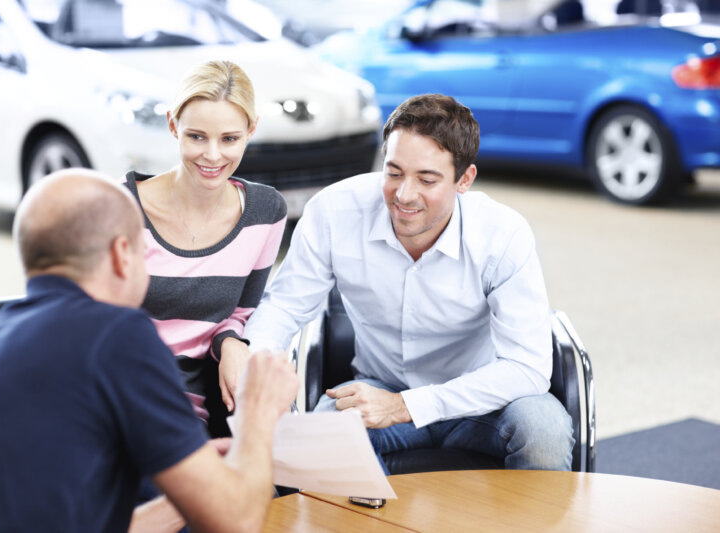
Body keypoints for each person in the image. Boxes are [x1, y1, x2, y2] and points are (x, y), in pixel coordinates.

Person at [0, 170, 298, 532]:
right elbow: (236, 522)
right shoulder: (116, 334)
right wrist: (258, 417)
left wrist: (188, 493)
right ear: (122, 253)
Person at [244, 94, 574, 472]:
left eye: (427, 179)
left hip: (484, 401)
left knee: (544, 430)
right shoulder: (334, 212)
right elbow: (284, 306)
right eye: (394, 172)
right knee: (326, 438)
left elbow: (527, 367)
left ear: (464, 179)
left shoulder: (502, 235)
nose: (404, 194)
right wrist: (256, 365)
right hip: (379, 387)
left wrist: (406, 406)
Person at [125, 60, 287, 437]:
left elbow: (241, 314)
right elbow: (89, 322)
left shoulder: (265, 213)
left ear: (251, 130)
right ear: (173, 125)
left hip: (195, 411)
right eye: (197, 137)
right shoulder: (120, 207)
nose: (213, 156)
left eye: (229, 139)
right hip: (123, 394)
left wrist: (231, 341)